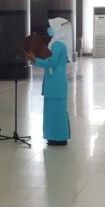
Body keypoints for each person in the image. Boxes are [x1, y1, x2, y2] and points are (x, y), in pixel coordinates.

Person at [27, 17, 72, 146]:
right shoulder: (57, 43)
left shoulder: (58, 44)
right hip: (55, 81)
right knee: (56, 111)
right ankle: (57, 137)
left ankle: (57, 138)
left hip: (55, 82)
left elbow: (51, 63)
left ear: (58, 28)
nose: (49, 29)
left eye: (51, 26)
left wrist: (35, 60)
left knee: (55, 111)